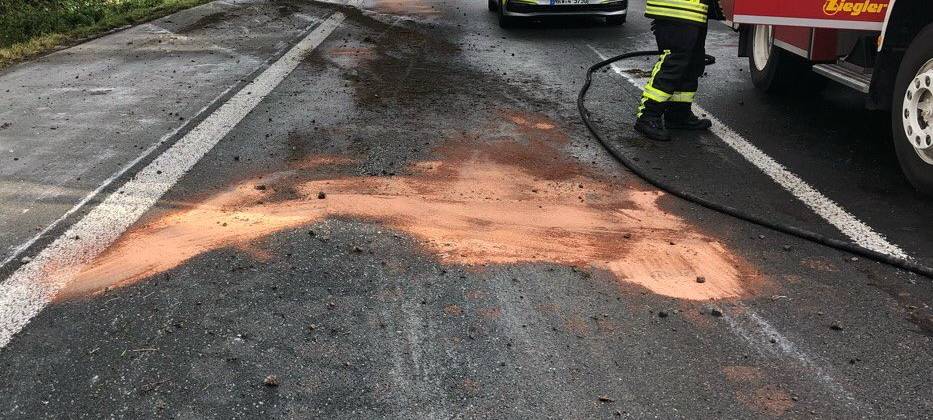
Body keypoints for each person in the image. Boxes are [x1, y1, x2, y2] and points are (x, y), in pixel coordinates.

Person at [634, 0, 723, 141]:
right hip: (677, 9)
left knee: (692, 62)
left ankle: (678, 114)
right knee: (674, 63)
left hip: (692, 10)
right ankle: (648, 115)